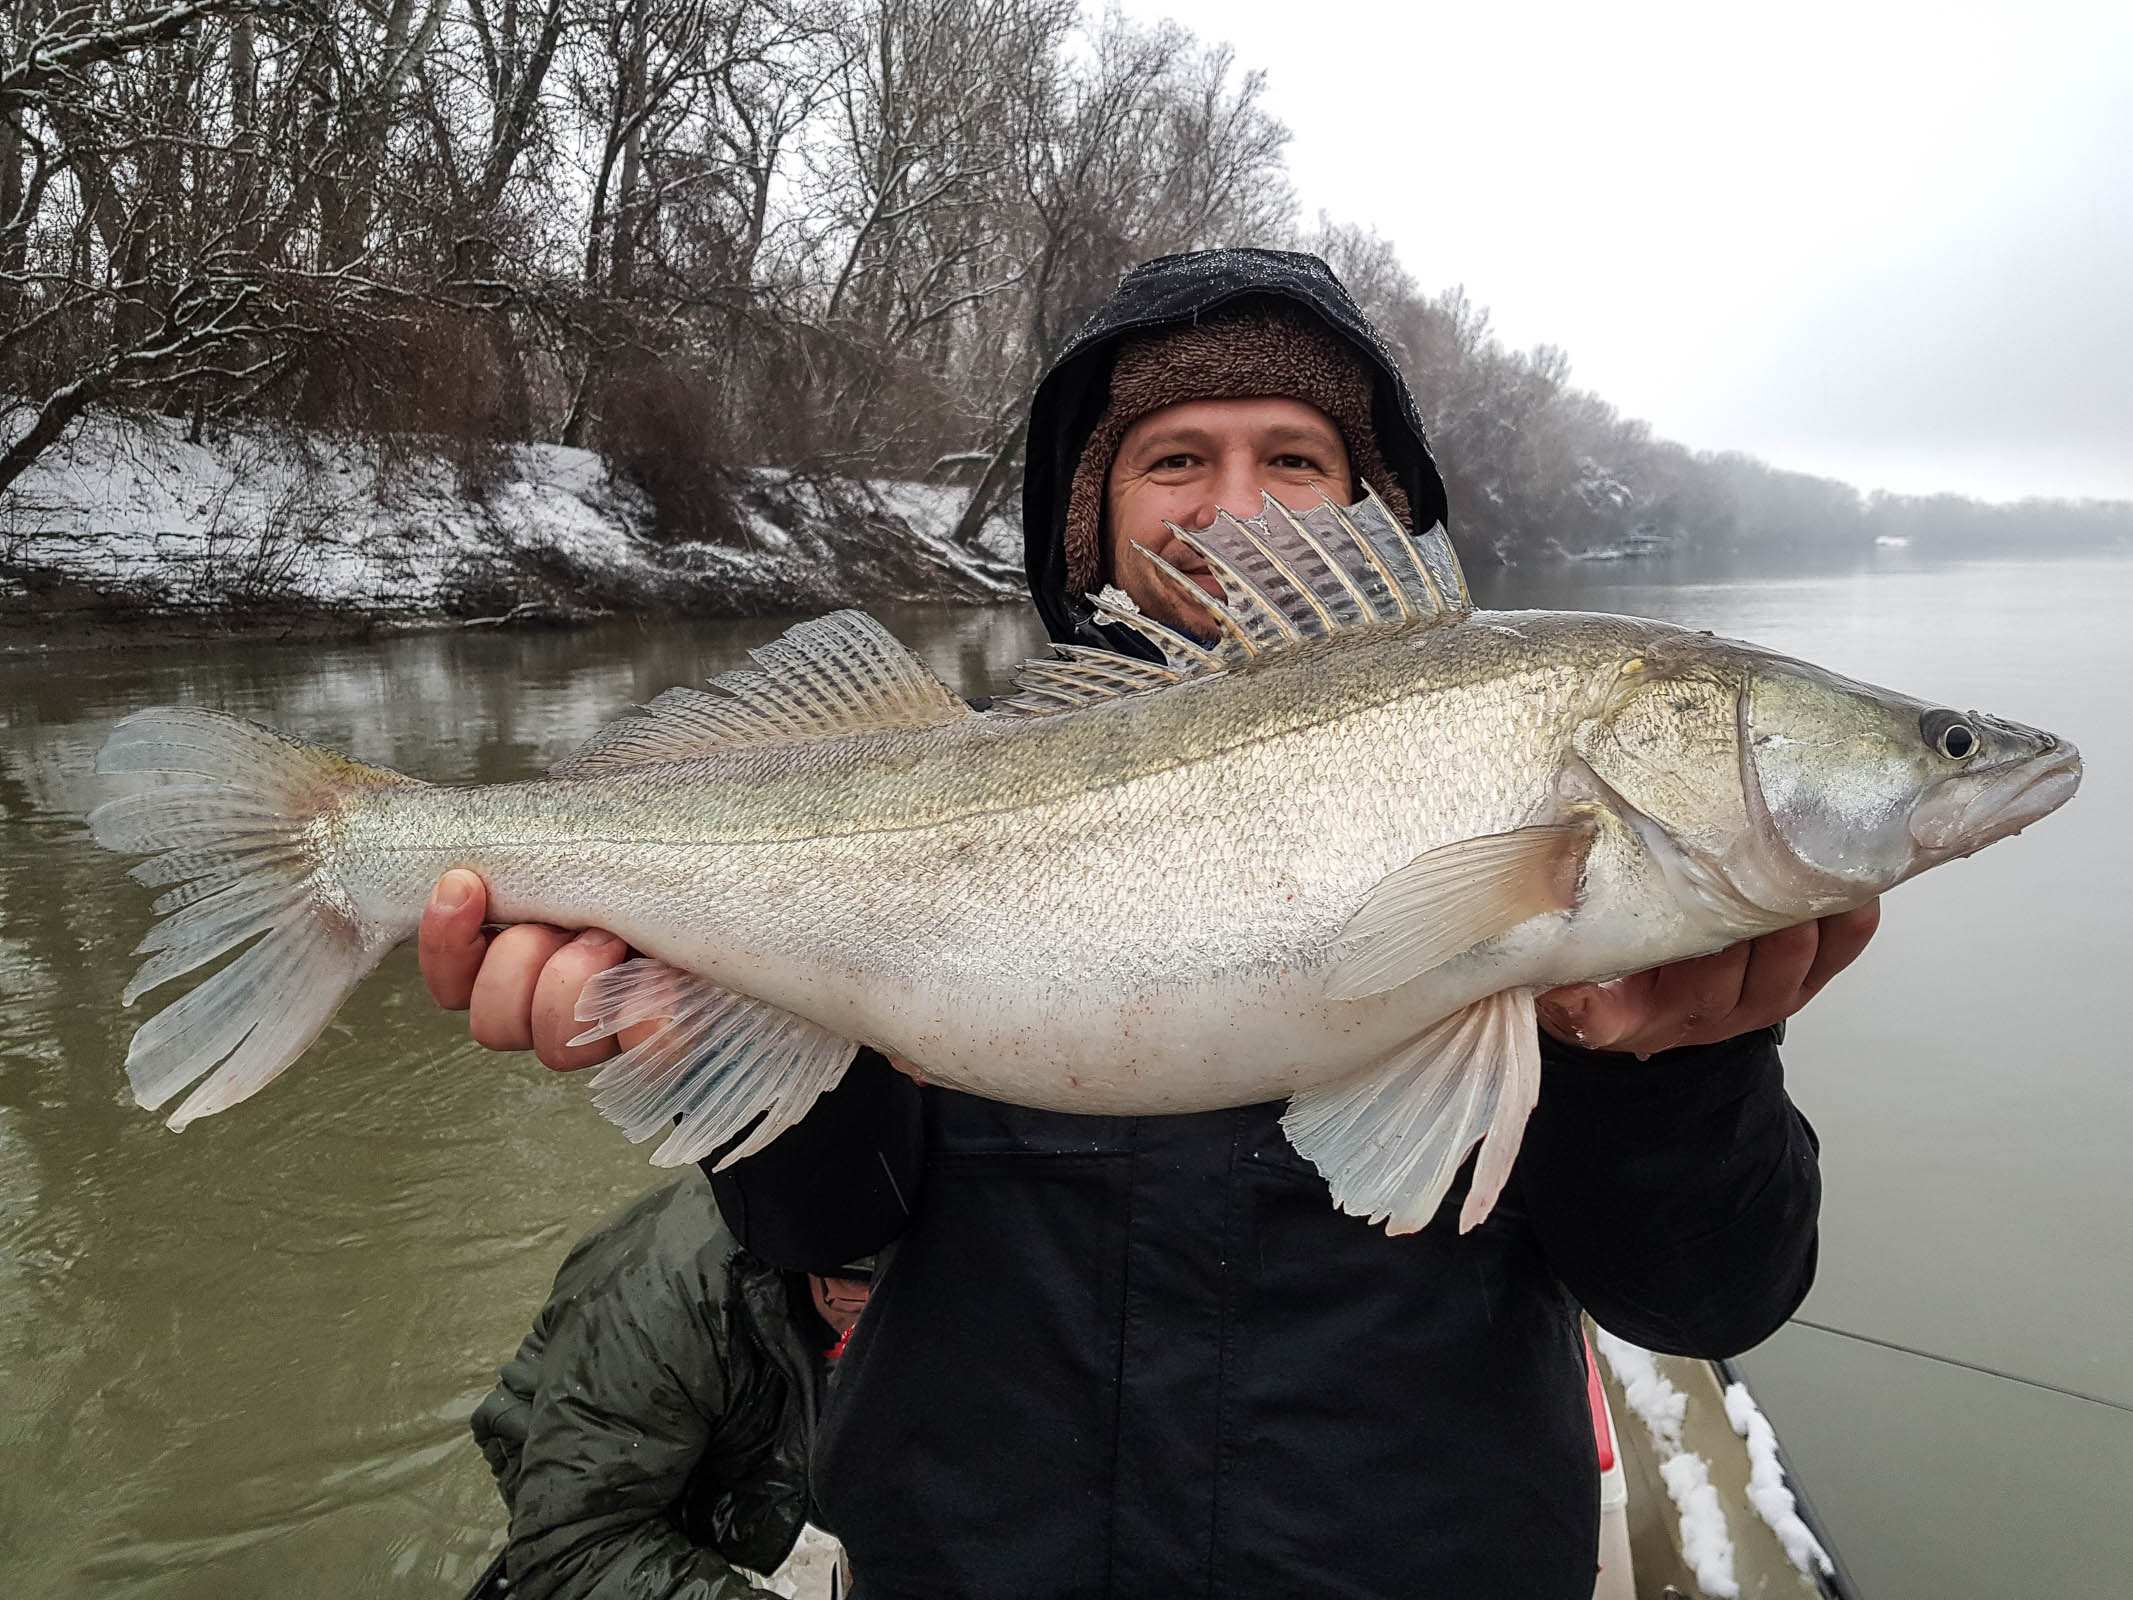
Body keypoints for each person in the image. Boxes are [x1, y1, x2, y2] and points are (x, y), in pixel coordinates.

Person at [422, 248, 1878, 1597]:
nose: (1234, 506)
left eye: (1294, 460)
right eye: (1176, 457)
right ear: (1090, 522)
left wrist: (1678, 1060)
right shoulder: (931, 788)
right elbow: (825, 1225)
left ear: (1374, 521)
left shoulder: (1570, 842)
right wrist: (701, 1042)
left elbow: (1701, 1298)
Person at [467, 1170, 873, 1599]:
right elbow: (569, 1559)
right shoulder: (650, 1309)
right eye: (863, 1289)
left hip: (747, 1416)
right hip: (592, 1494)